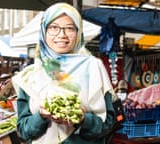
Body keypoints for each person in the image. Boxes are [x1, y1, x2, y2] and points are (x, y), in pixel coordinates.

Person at [12, 2, 116, 144]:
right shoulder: (31, 76)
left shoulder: (93, 67)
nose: (62, 35)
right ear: (44, 31)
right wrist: (41, 116)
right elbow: (23, 131)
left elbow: (108, 123)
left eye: (69, 28)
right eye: (54, 27)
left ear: (78, 33)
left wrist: (83, 119)